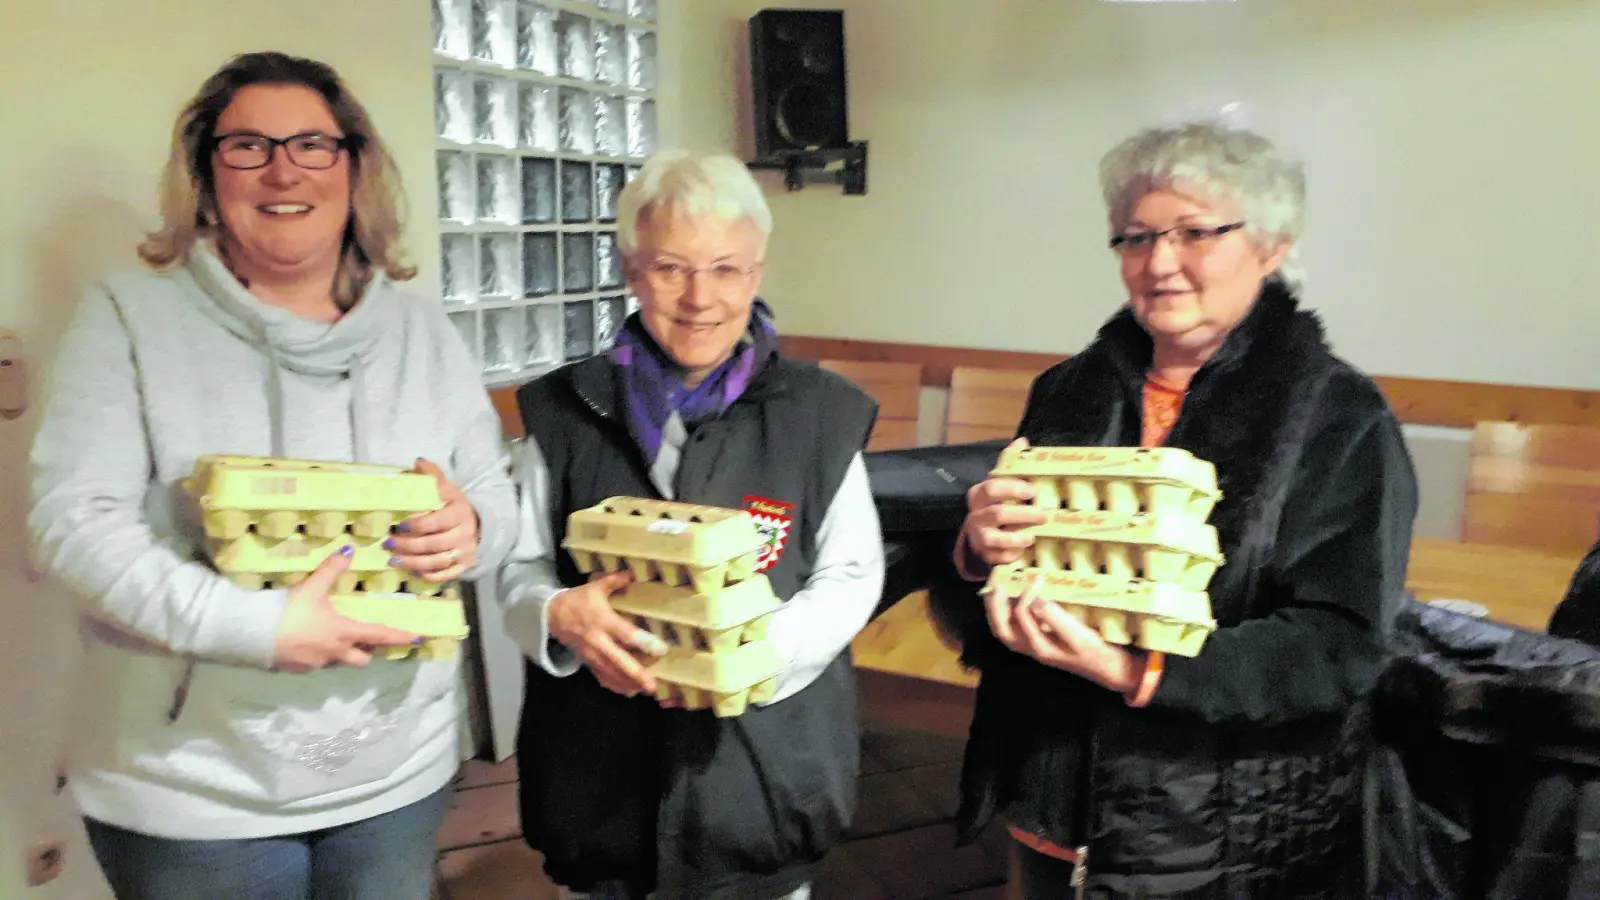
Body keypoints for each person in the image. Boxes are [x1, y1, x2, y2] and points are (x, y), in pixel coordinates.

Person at [27, 51, 517, 899]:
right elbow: (73, 522)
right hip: (193, 797)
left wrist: (471, 528)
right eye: (247, 145)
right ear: (206, 175)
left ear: (355, 167)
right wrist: (257, 626)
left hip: (394, 781)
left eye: (313, 144)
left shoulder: (420, 328)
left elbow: (495, 497)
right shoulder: (127, 317)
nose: (284, 168)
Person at [947, 121, 1419, 899]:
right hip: (1050, 799)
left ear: (1270, 247)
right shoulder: (1068, 390)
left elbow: (1340, 645)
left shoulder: (1339, 416)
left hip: (1218, 834)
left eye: (1195, 232)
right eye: (1135, 238)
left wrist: (1139, 670)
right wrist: (976, 552)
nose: (1159, 263)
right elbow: (1011, 589)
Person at [496, 149, 885, 900]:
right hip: (599, 784)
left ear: (758, 271)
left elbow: (851, 574)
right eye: (672, 267)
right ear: (633, 270)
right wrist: (557, 614)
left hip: (763, 782)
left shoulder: (819, 413)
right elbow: (518, 566)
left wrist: (755, 656)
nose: (700, 297)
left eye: (727, 269)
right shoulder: (563, 410)